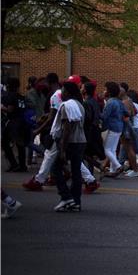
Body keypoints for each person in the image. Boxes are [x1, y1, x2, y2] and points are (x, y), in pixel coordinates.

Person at [51, 82, 86, 212]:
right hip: (81, 141)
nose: (62, 93)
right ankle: (76, 202)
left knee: (55, 169)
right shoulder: (79, 105)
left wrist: (62, 149)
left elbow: (67, 128)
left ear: (69, 92)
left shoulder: (67, 106)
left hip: (71, 142)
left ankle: (66, 197)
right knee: (76, 172)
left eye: (63, 91)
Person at [1, 77, 30, 172]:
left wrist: (1, 107)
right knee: (20, 144)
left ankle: (14, 164)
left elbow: (10, 109)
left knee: (5, 143)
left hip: (13, 123)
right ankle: (22, 165)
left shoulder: (10, 96)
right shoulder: (21, 97)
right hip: (22, 122)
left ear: (8, 86)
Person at [101, 82, 129, 177]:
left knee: (106, 150)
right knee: (112, 149)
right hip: (119, 127)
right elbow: (126, 113)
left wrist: (97, 114)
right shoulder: (119, 102)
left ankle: (117, 166)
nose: (103, 91)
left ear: (109, 92)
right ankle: (113, 170)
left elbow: (104, 116)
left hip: (112, 127)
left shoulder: (110, 102)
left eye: (105, 89)